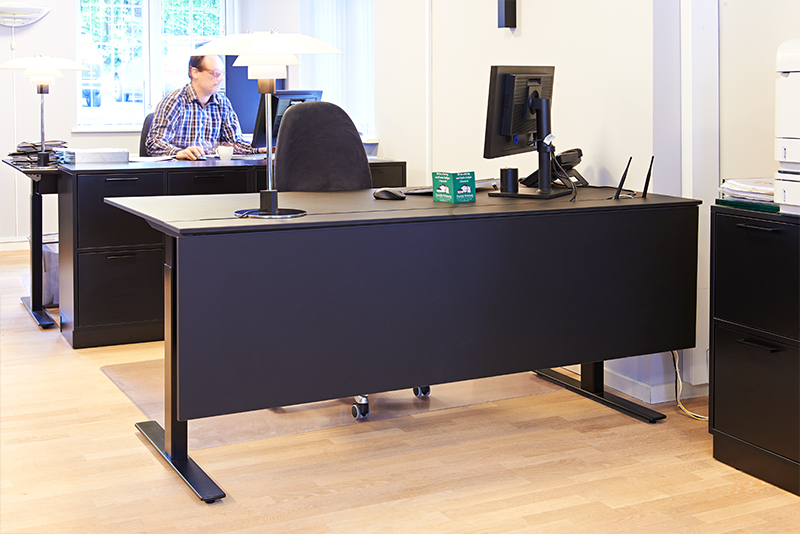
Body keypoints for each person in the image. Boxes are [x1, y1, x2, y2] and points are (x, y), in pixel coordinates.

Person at [146, 55, 266, 160]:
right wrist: (178, 152)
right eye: (215, 73)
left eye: (222, 73)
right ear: (194, 72)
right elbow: (154, 143)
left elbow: (234, 142)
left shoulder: (222, 103)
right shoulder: (174, 101)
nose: (221, 78)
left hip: (212, 168)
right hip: (180, 170)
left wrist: (258, 150)